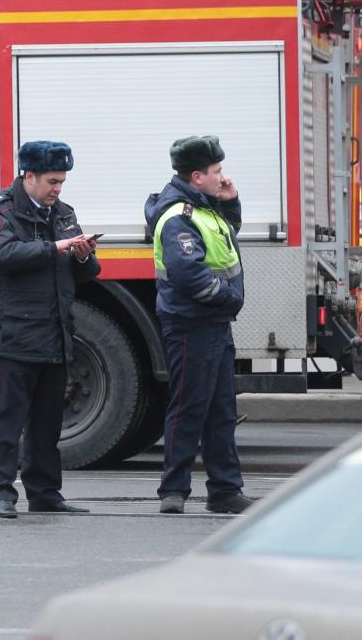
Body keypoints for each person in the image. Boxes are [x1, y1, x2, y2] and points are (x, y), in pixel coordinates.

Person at [0, 141, 99, 519]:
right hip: (15, 335)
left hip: (56, 333)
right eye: (52, 181)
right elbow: (2, 256)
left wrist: (82, 255)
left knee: (48, 424)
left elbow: (87, 273)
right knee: (7, 420)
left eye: (62, 182)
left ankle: (45, 492)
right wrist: (56, 247)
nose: (57, 189)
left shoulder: (63, 213)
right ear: (28, 176)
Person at [144, 136, 256, 515]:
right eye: (216, 171)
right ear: (196, 176)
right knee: (189, 407)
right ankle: (173, 491)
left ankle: (224, 490)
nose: (221, 176)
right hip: (193, 325)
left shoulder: (203, 208)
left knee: (221, 410)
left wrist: (230, 200)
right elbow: (189, 275)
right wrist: (228, 297)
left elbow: (226, 237)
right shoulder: (178, 217)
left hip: (213, 324)